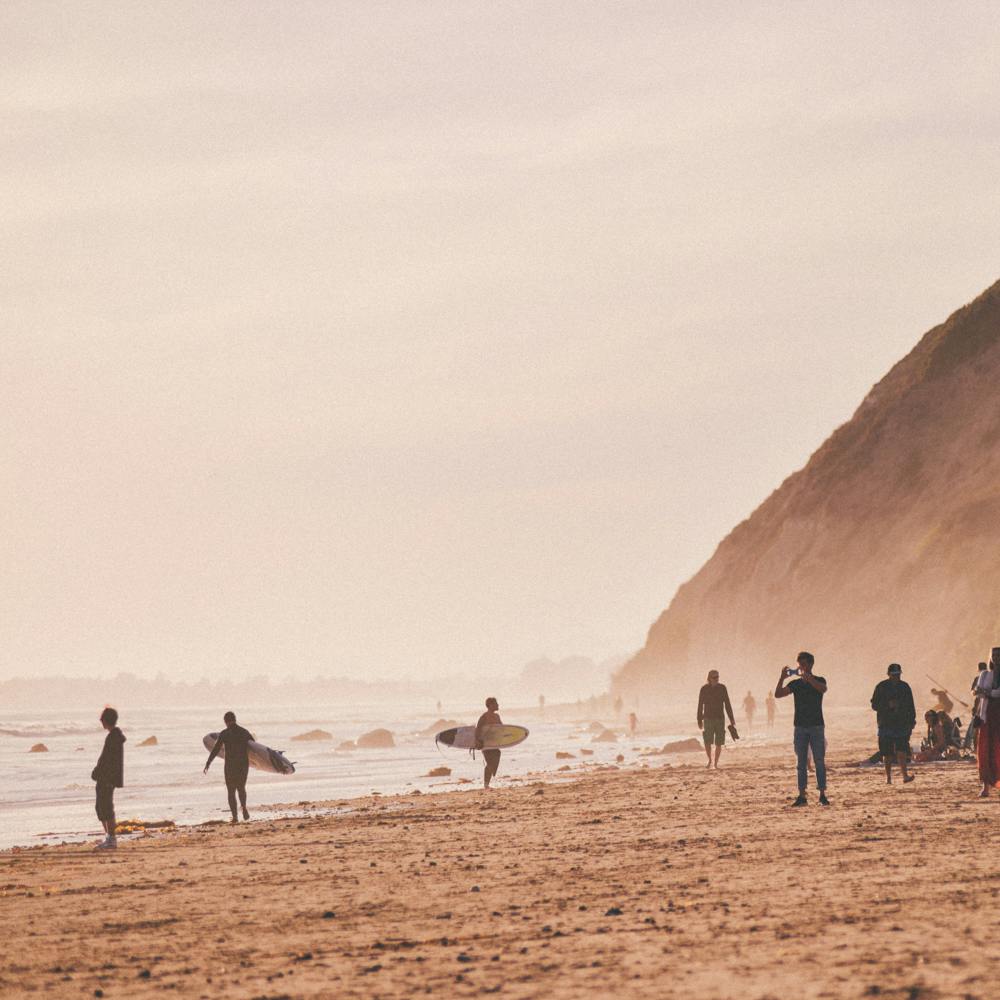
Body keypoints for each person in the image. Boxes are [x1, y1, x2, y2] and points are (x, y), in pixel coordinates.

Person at [775, 651, 829, 806]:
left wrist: (809, 679)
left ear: (811, 664)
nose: (801, 667)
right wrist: (782, 678)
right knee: (801, 762)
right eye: (799, 665)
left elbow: (823, 689)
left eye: (804, 664)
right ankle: (802, 795)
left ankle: (822, 794)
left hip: (816, 726)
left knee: (819, 760)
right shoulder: (795, 684)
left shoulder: (819, 679)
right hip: (800, 726)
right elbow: (778, 694)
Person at [204, 711, 255, 823]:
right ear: (235, 719)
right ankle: (244, 807)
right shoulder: (244, 732)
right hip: (243, 764)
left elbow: (216, 749)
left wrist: (208, 762)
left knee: (231, 791)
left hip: (230, 765)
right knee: (241, 787)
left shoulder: (225, 733)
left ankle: (235, 817)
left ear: (225, 721)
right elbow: (254, 748)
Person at [870, 663, 916, 785]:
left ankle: (905, 776)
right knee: (887, 753)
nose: (896, 677)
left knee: (902, 751)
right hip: (885, 723)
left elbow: (911, 705)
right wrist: (887, 705)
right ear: (889, 674)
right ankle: (888, 777)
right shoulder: (881, 686)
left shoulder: (905, 687)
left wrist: (912, 721)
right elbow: (874, 705)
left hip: (902, 723)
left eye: (898, 674)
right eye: (894, 675)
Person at [92, 706, 126, 850]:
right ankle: (109, 838)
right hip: (106, 778)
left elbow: (109, 760)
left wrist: (102, 774)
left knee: (106, 808)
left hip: (107, 779)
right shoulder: (114, 736)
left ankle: (111, 839)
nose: (100, 721)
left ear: (106, 720)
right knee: (101, 807)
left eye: (102, 719)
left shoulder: (114, 737)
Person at [697, 670, 736, 769]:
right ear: (709, 678)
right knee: (707, 741)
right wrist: (699, 720)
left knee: (719, 742)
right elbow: (700, 705)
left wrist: (731, 719)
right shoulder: (704, 689)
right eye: (714, 677)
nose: (716, 679)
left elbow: (727, 704)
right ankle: (709, 759)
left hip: (720, 718)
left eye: (717, 677)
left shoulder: (722, 688)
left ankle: (715, 763)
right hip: (708, 718)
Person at [975, 648, 1000, 797]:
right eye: (994, 656)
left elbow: (994, 693)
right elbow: (977, 691)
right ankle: (985, 786)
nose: (996, 658)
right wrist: (983, 692)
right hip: (986, 716)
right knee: (985, 751)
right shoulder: (985, 674)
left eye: (999, 656)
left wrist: (987, 692)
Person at [475, 697, 503, 790]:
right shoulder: (484, 717)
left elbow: (502, 728)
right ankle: (486, 784)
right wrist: (478, 741)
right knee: (490, 763)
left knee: (497, 756)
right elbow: (478, 729)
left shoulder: (497, 716)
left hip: (494, 744)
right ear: (490, 705)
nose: (498, 705)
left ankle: (489, 778)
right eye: (496, 703)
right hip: (486, 744)